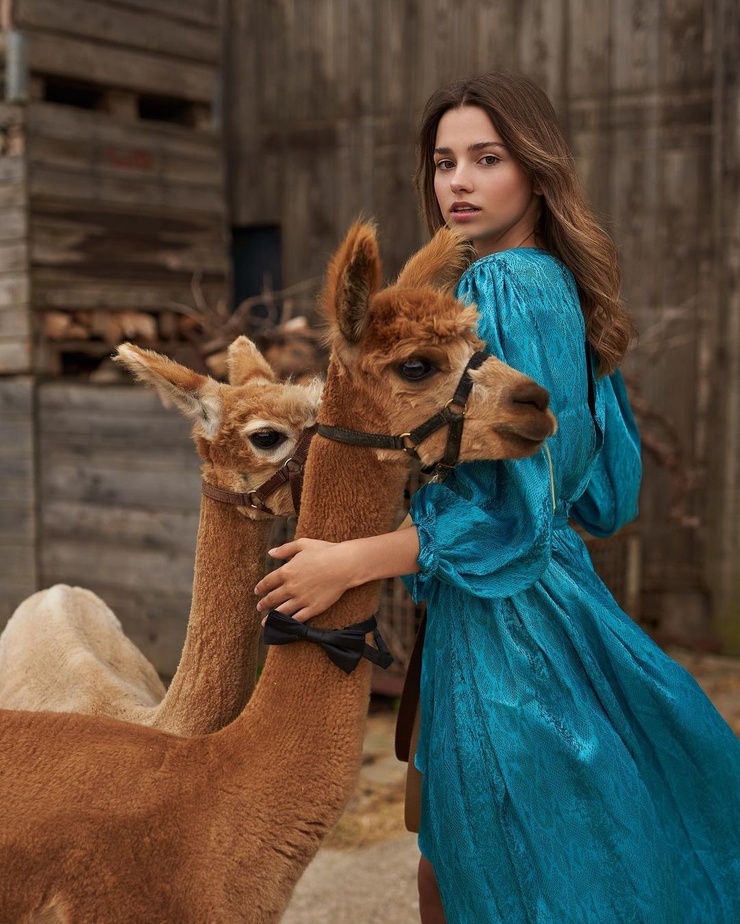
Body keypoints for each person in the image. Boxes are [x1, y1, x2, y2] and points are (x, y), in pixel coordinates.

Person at [255, 71, 740, 923]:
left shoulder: (501, 289)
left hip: (506, 633)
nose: (459, 183)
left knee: (490, 871)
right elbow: (604, 498)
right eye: (444, 162)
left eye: (487, 158)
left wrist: (355, 559)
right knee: (550, 855)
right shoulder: (564, 290)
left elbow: (514, 514)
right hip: (561, 603)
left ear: (536, 169)